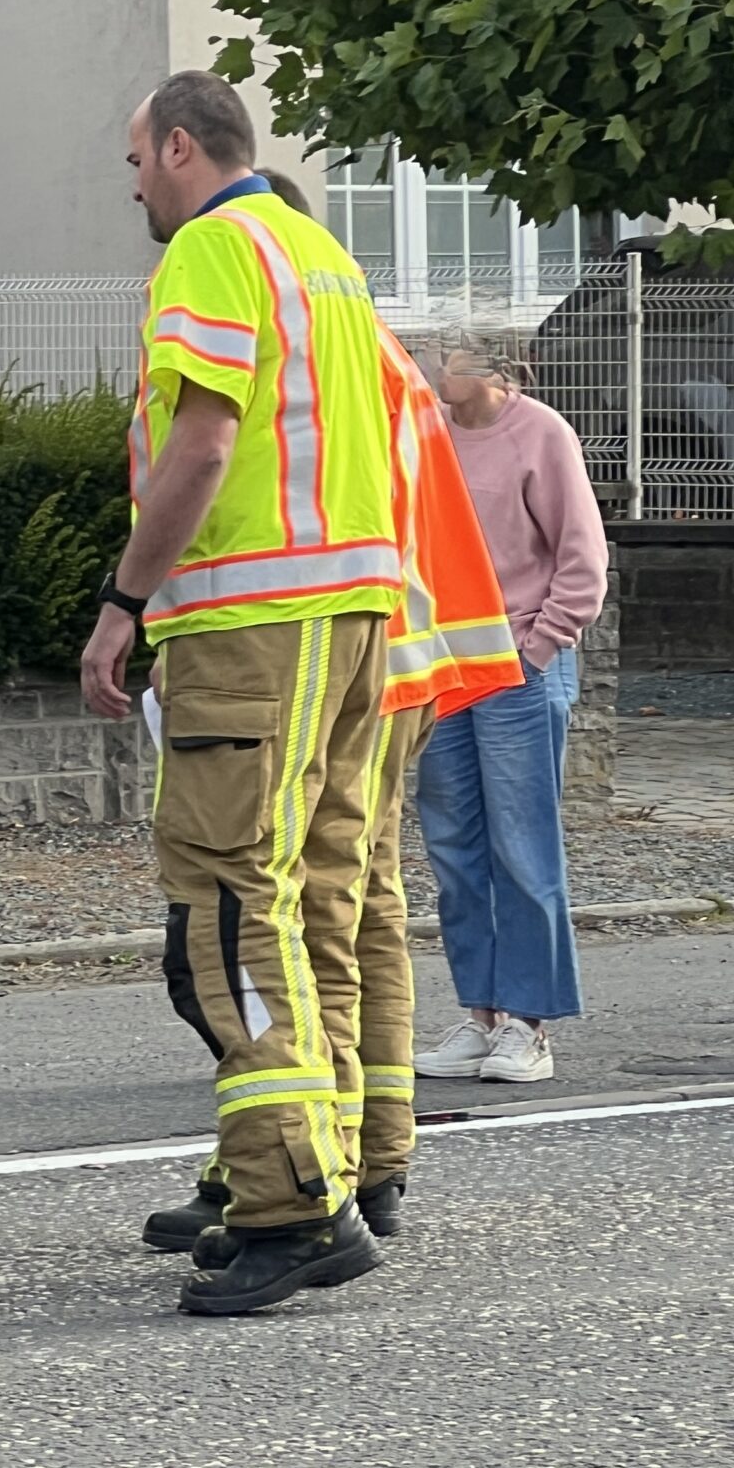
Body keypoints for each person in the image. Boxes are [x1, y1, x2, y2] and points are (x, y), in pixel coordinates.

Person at [84, 70, 403, 1315]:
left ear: (179, 146)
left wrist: (123, 600)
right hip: (350, 615)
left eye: (134, 162)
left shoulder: (214, 249)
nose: (133, 189)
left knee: (226, 904)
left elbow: (204, 441)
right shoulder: (321, 256)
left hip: (252, 624)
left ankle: (291, 1203)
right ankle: (326, 1168)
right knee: (313, 898)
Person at [144, 319, 521, 1255]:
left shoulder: (293, 336)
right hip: (392, 647)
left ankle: (311, 1169)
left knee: (291, 910)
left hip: (325, 640)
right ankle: (364, 1156)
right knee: (356, 907)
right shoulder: (366, 342)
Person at [411, 334, 608, 1083]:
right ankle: (481, 1014)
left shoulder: (541, 432)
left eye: (450, 354)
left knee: (523, 849)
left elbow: (582, 557)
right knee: (454, 849)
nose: (434, 367)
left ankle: (530, 1025)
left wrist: (539, 647)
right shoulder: (426, 434)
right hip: (444, 667)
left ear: (494, 367)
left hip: (520, 665)